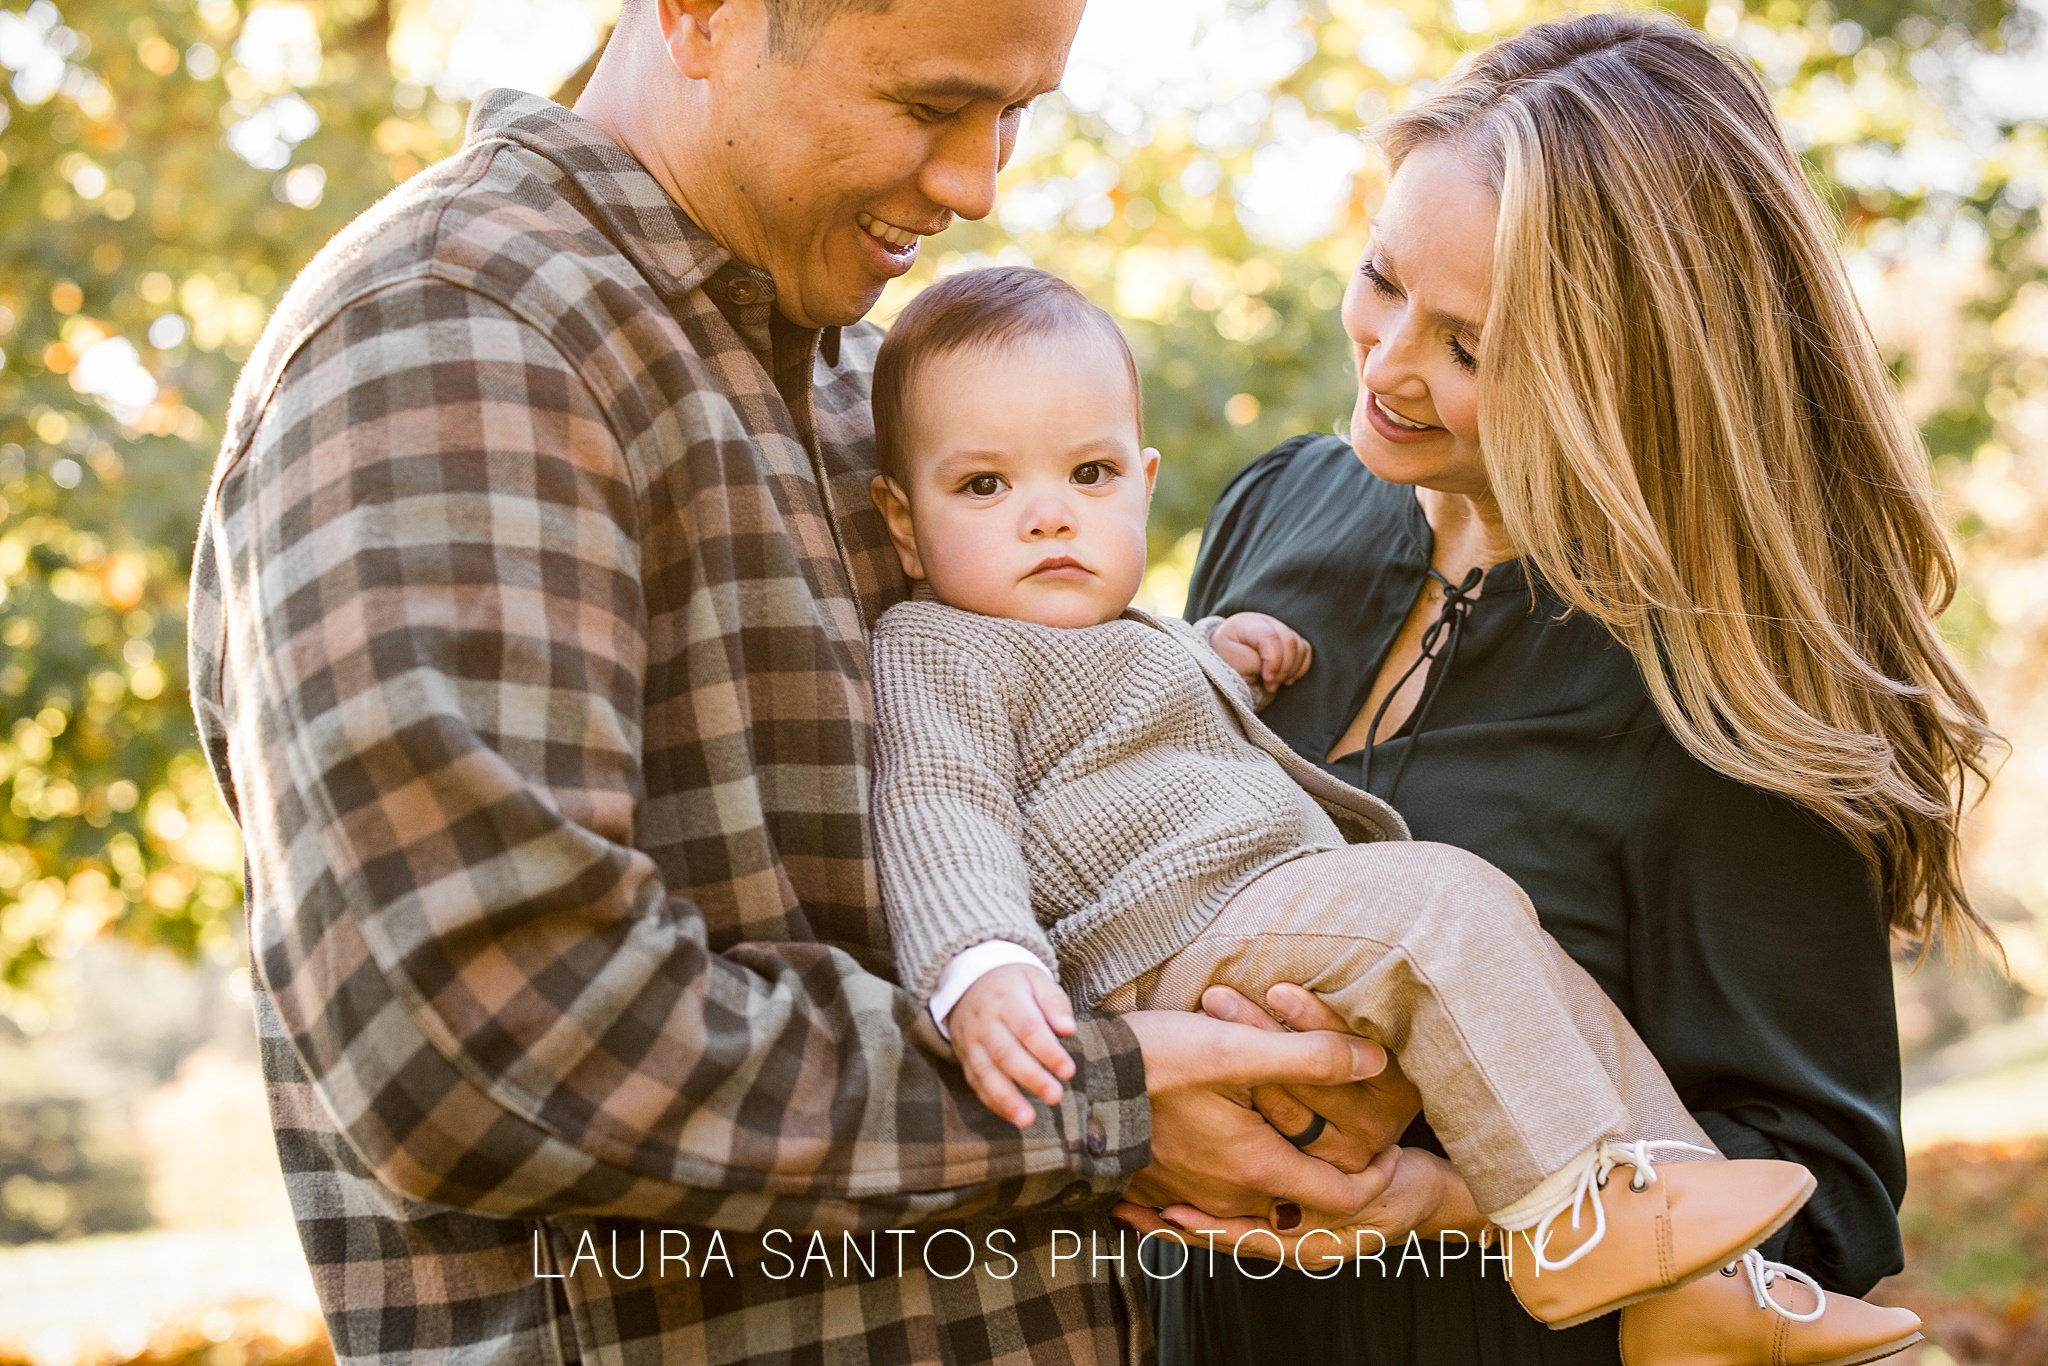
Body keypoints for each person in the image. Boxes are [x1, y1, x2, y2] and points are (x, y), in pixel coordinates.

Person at [185, 1, 1413, 1361]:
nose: (977, 183)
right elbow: (486, 1043)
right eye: (930, 105)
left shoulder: (869, 385)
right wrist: (1103, 1104)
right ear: (702, 15)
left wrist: (1268, 1050)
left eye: (1013, 115)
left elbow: (1024, 840)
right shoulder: (455, 337)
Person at [1120, 12, 2001, 1366]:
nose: (1389, 362)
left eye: (1471, 347)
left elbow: (1824, 1200)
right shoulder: (1277, 511)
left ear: (1620, 371)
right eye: (1380, 278)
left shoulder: (1728, 675)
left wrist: (1447, 1197)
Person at [862, 263, 1924, 1363]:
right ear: (902, 521)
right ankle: (1575, 1222)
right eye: (982, 487)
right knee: (1441, 905)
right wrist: (981, 964)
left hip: (1262, 961)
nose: (1045, 516)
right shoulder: (939, 642)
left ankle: (1703, 1278)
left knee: (1529, 966)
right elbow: (943, 805)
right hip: (1167, 943)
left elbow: (1131, 706)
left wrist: (1214, 651)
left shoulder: (1721, 654)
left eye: (1086, 474)